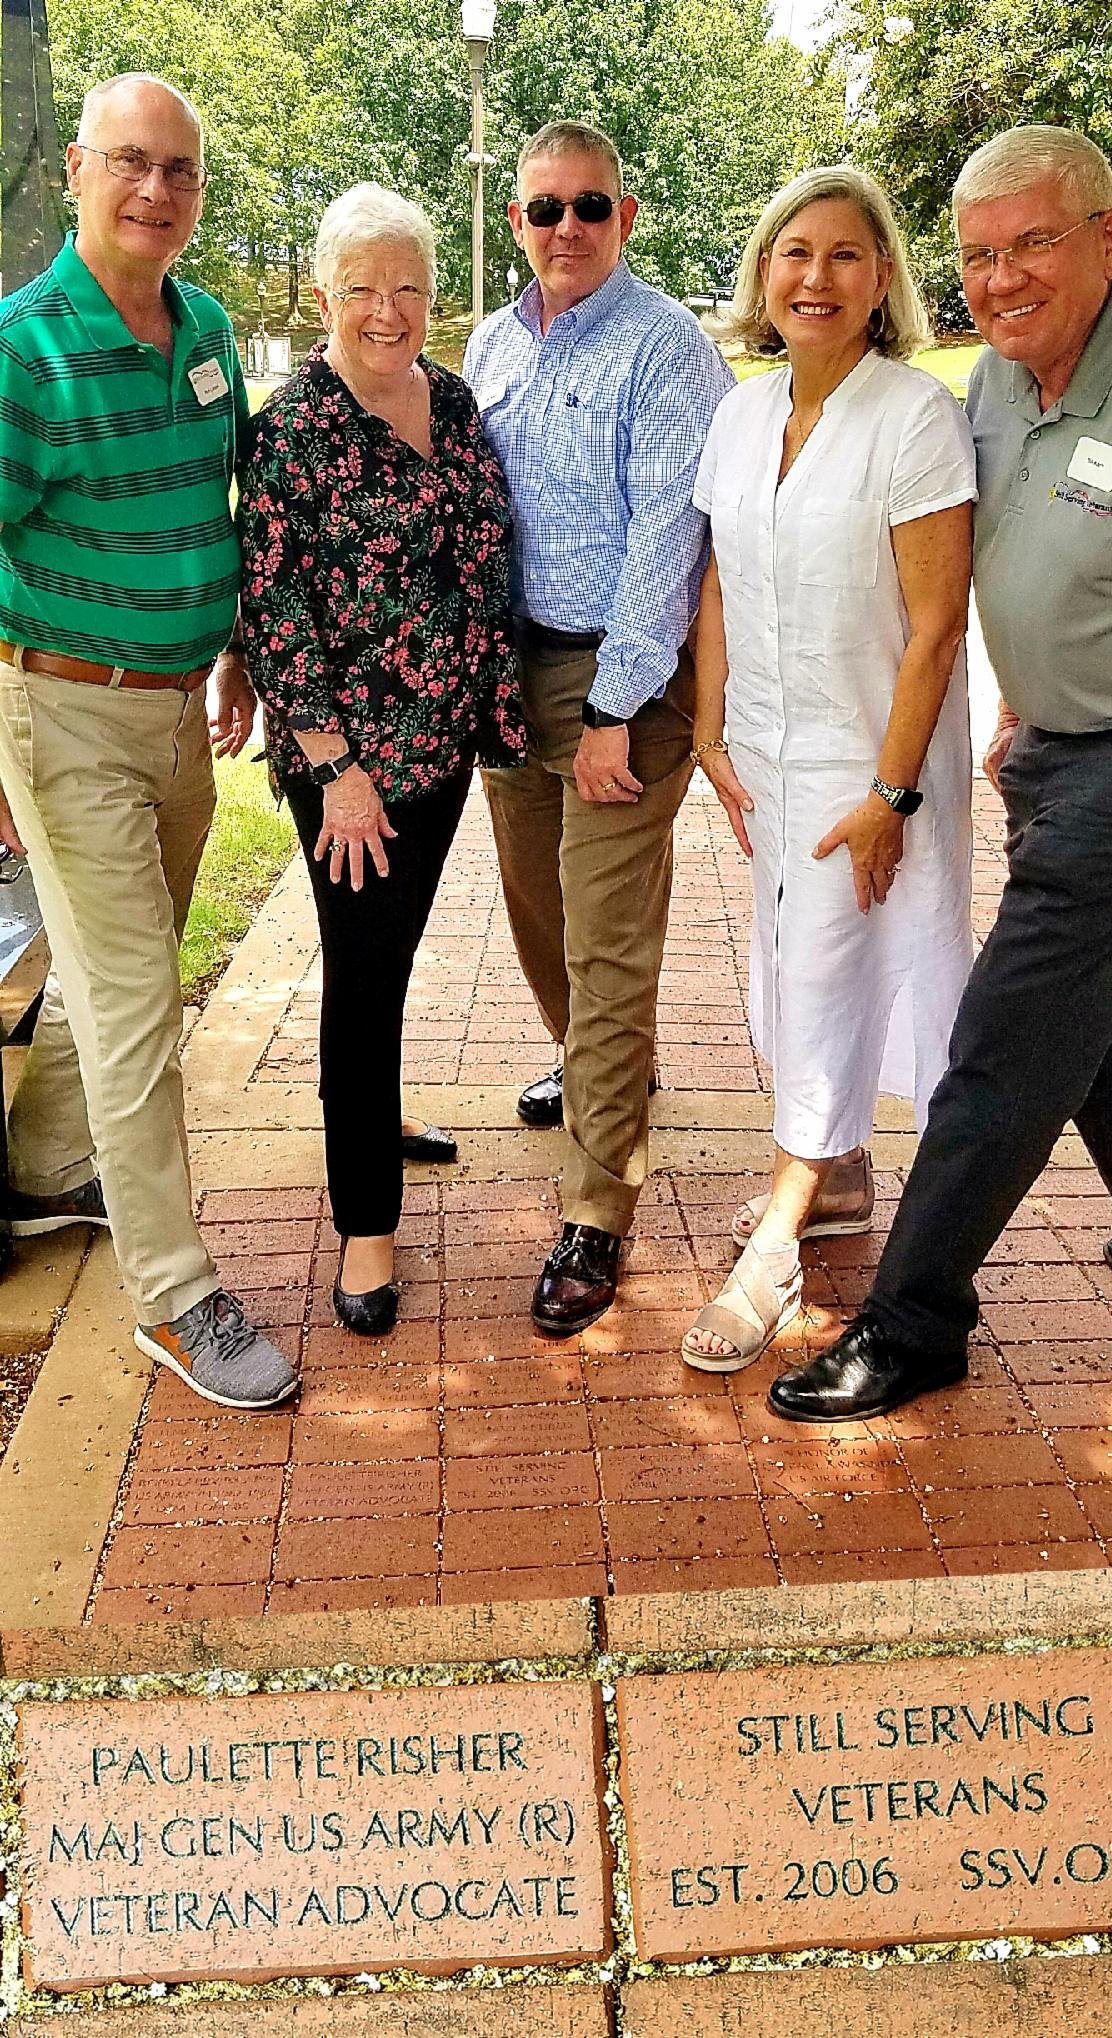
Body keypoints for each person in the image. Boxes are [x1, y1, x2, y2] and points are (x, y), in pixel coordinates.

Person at [771, 125, 1112, 1424]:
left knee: (1003, 1040)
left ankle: (914, 1322)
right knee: (1094, 1025)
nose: (1001, 279)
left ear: (1111, 239)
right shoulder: (1005, 381)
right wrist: (1033, 696)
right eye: (977, 254)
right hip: (1057, 753)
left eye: (1032, 244)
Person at [0, 73, 298, 1410]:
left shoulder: (208, 326)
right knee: (135, 1004)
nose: (155, 191)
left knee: (123, 962)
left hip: (176, 704)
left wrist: (232, 644)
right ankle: (176, 1296)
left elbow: (218, 501)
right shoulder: (24, 353)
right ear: (77, 170)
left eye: (179, 169)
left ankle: (46, 1169)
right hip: (61, 708)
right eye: (130, 161)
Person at [680, 169, 976, 1371]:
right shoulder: (742, 416)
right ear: (764, 273)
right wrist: (710, 730)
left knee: (832, 969)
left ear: (882, 279)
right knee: (794, 964)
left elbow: (937, 627)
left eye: (846, 255)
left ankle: (779, 1241)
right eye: (794, 253)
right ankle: (841, 1177)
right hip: (767, 753)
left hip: (871, 762)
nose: (816, 277)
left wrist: (892, 794)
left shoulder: (915, 417)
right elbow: (717, 580)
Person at [237, 184, 524, 1335]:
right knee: (362, 973)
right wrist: (336, 770)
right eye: (361, 287)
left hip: (440, 745)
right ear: (324, 297)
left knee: (389, 950)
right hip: (347, 766)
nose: (387, 308)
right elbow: (273, 608)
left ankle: (376, 1110)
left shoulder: (448, 399)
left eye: (409, 285)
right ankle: (365, 1221)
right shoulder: (292, 431)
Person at [462, 119, 733, 1336]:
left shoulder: (666, 348)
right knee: (538, 908)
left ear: (625, 216)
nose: (564, 227)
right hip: (510, 673)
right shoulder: (491, 343)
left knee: (607, 933)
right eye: (543, 208)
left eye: (588, 206)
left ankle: (598, 1206)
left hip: (618, 679)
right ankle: (599, 1067)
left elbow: (671, 538)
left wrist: (617, 706)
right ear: (518, 220)